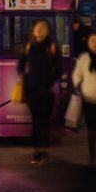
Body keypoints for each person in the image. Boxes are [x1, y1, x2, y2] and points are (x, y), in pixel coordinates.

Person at [19, 19, 61, 165]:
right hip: (31, 91)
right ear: (33, 30)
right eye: (38, 27)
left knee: (44, 122)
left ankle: (43, 151)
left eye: (43, 27)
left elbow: (59, 69)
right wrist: (26, 77)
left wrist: (48, 83)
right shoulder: (29, 46)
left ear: (48, 30)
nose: (40, 30)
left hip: (46, 92)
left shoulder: (52, 46)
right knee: (35, 122)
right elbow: (21, 64)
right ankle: (36, 151)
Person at [73, 30, 96, 167]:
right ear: (88, 43)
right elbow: (77, 75)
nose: (95, 43)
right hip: (88, 99)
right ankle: (92, 158)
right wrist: (79, 86)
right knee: (91, 130)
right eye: (92, 40)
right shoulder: (83, 58)